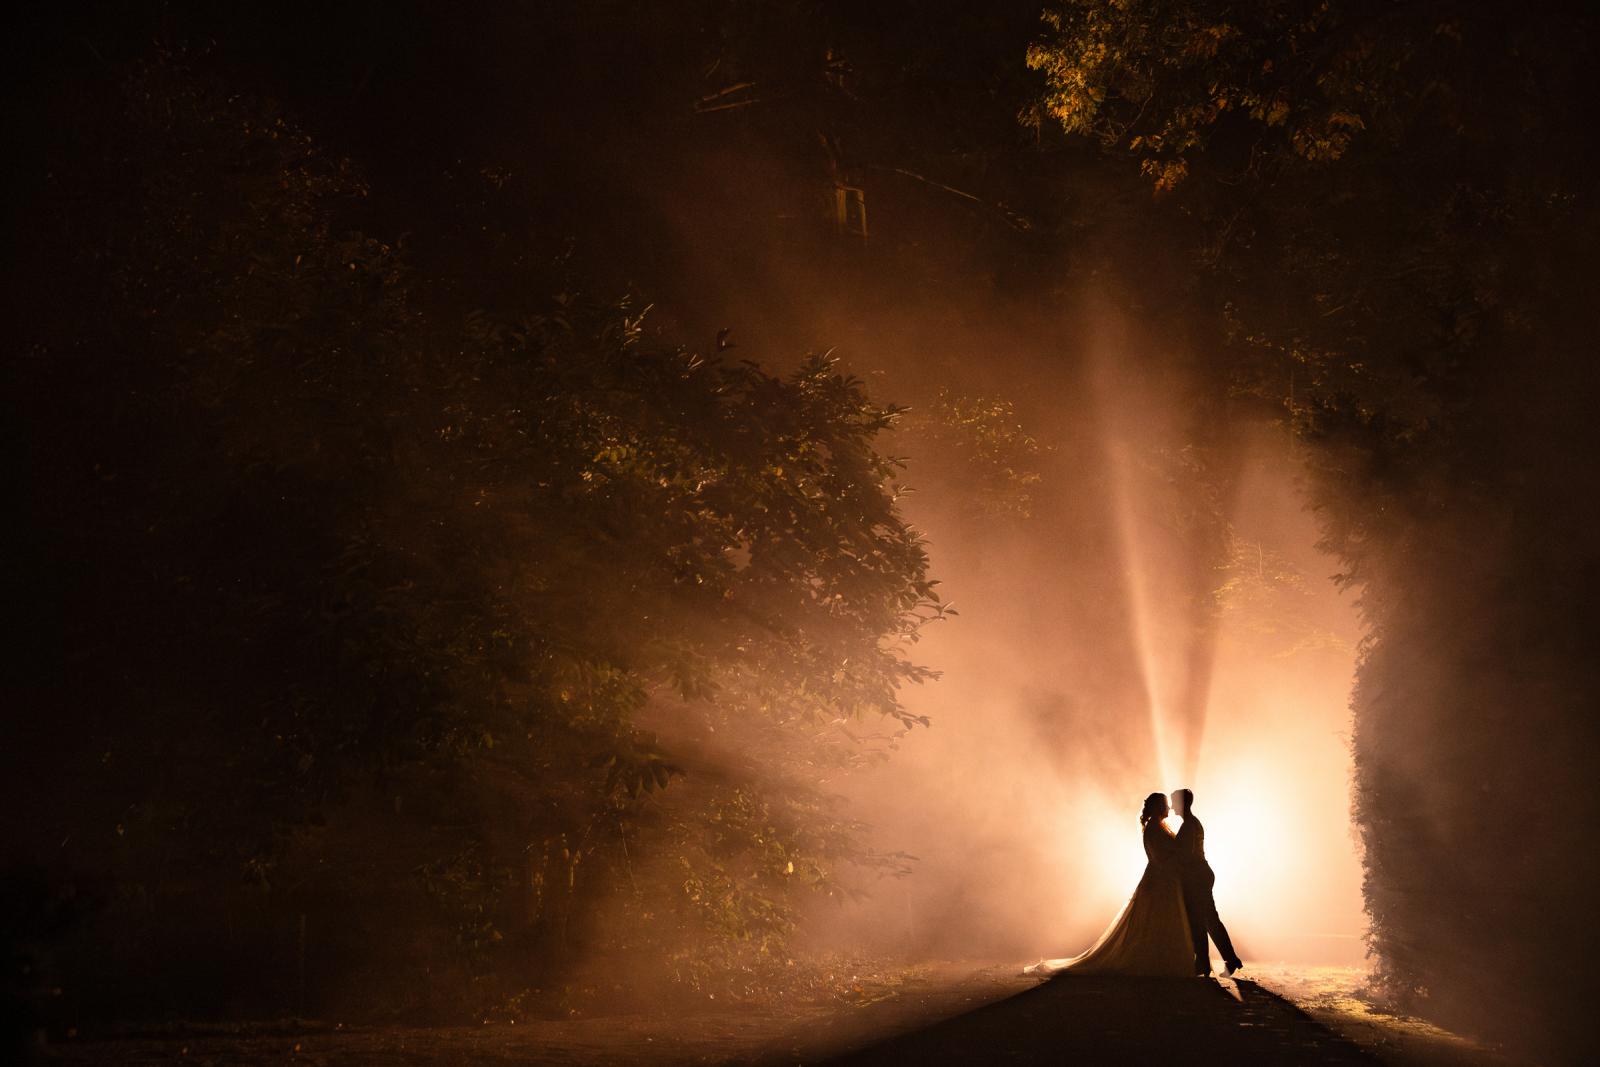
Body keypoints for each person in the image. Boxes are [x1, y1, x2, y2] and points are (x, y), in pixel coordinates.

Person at [1023, 792, 1194, 977]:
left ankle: (1163, 960)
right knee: (1156, 921)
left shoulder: (1157, 826)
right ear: (1157, 807)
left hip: (1164, 880)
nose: (1168, 808)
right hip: (1160, 881)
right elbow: (1161, 857)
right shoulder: (1154, 828)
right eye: (1165, 804)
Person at [1170, 787, 1243, 977]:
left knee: (1199, 920)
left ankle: (1204, 962)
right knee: (1210, 919)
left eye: (1174, 802)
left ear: (1182, 803)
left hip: (1196, 877)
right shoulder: (1192, 823)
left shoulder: (1189, 825)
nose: (1171, 807)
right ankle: (1229, 959)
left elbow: (1185, 855)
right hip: (1201, 874)